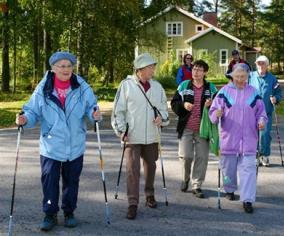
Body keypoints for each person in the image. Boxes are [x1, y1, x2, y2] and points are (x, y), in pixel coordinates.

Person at [15, 51, 101, 231]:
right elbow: (31, 111)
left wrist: (94, 115)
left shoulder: (82, 87)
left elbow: (91, 107)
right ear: (53, 68)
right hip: (51, 145)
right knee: (49, 181)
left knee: (71, 181)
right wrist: (25, 119)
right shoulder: (43, 88)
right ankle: (49, 213)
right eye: (62, 66)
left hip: (74, 143)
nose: (66, 69)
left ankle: (69, 212)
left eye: (69, 66)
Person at [111, 52, 169, 220]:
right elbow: (118, 111)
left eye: (153, 67)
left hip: (152, 135)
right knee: (132, 170)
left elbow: (164, 111)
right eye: (151, 67)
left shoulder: (157, 87)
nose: (153, 70)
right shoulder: (126, 86)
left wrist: (162, 119)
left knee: (151, 167)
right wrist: (122, 131)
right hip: (132, 135)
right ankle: (132, 203)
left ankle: (149, 195)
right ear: (140, 69)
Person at [209, 63, 267, 213]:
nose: (240, 79)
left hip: (249, 140)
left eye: (243, 76)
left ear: (248, 76)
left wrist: (261, 121)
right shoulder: (224, 92)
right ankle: (229, 188)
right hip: (229, 139)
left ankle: (247, 200)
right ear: (232, 76)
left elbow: (261, 112)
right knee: (228, 169)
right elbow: (213, 112)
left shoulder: (254, 93)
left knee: (248, 169)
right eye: (237, 76)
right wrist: (216, 114)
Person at [171, 59, 217, 198]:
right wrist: (183, 105)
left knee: (202, 157)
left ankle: (197, 185)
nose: (195, 72)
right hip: (186, 127)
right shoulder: (184, 85)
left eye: (199, 70)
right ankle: (185, 178)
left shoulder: (211, 88)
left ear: (205, 72)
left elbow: (219, 105)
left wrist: (212, 104)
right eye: (194, 69)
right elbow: (174, 103)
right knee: (186, 156)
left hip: (203, 129)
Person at [249, 55, 283, 167]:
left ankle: (264, 155)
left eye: (263, 63)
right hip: (251, 112)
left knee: (265, 135)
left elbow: (279, 93)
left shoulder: (273, 79)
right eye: (259, 63)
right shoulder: (250, 76)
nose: (261, 65)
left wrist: (276, 98)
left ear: (267, 65)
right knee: (253, 135)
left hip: (266, 112)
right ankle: (255, 156)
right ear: (256, 64)